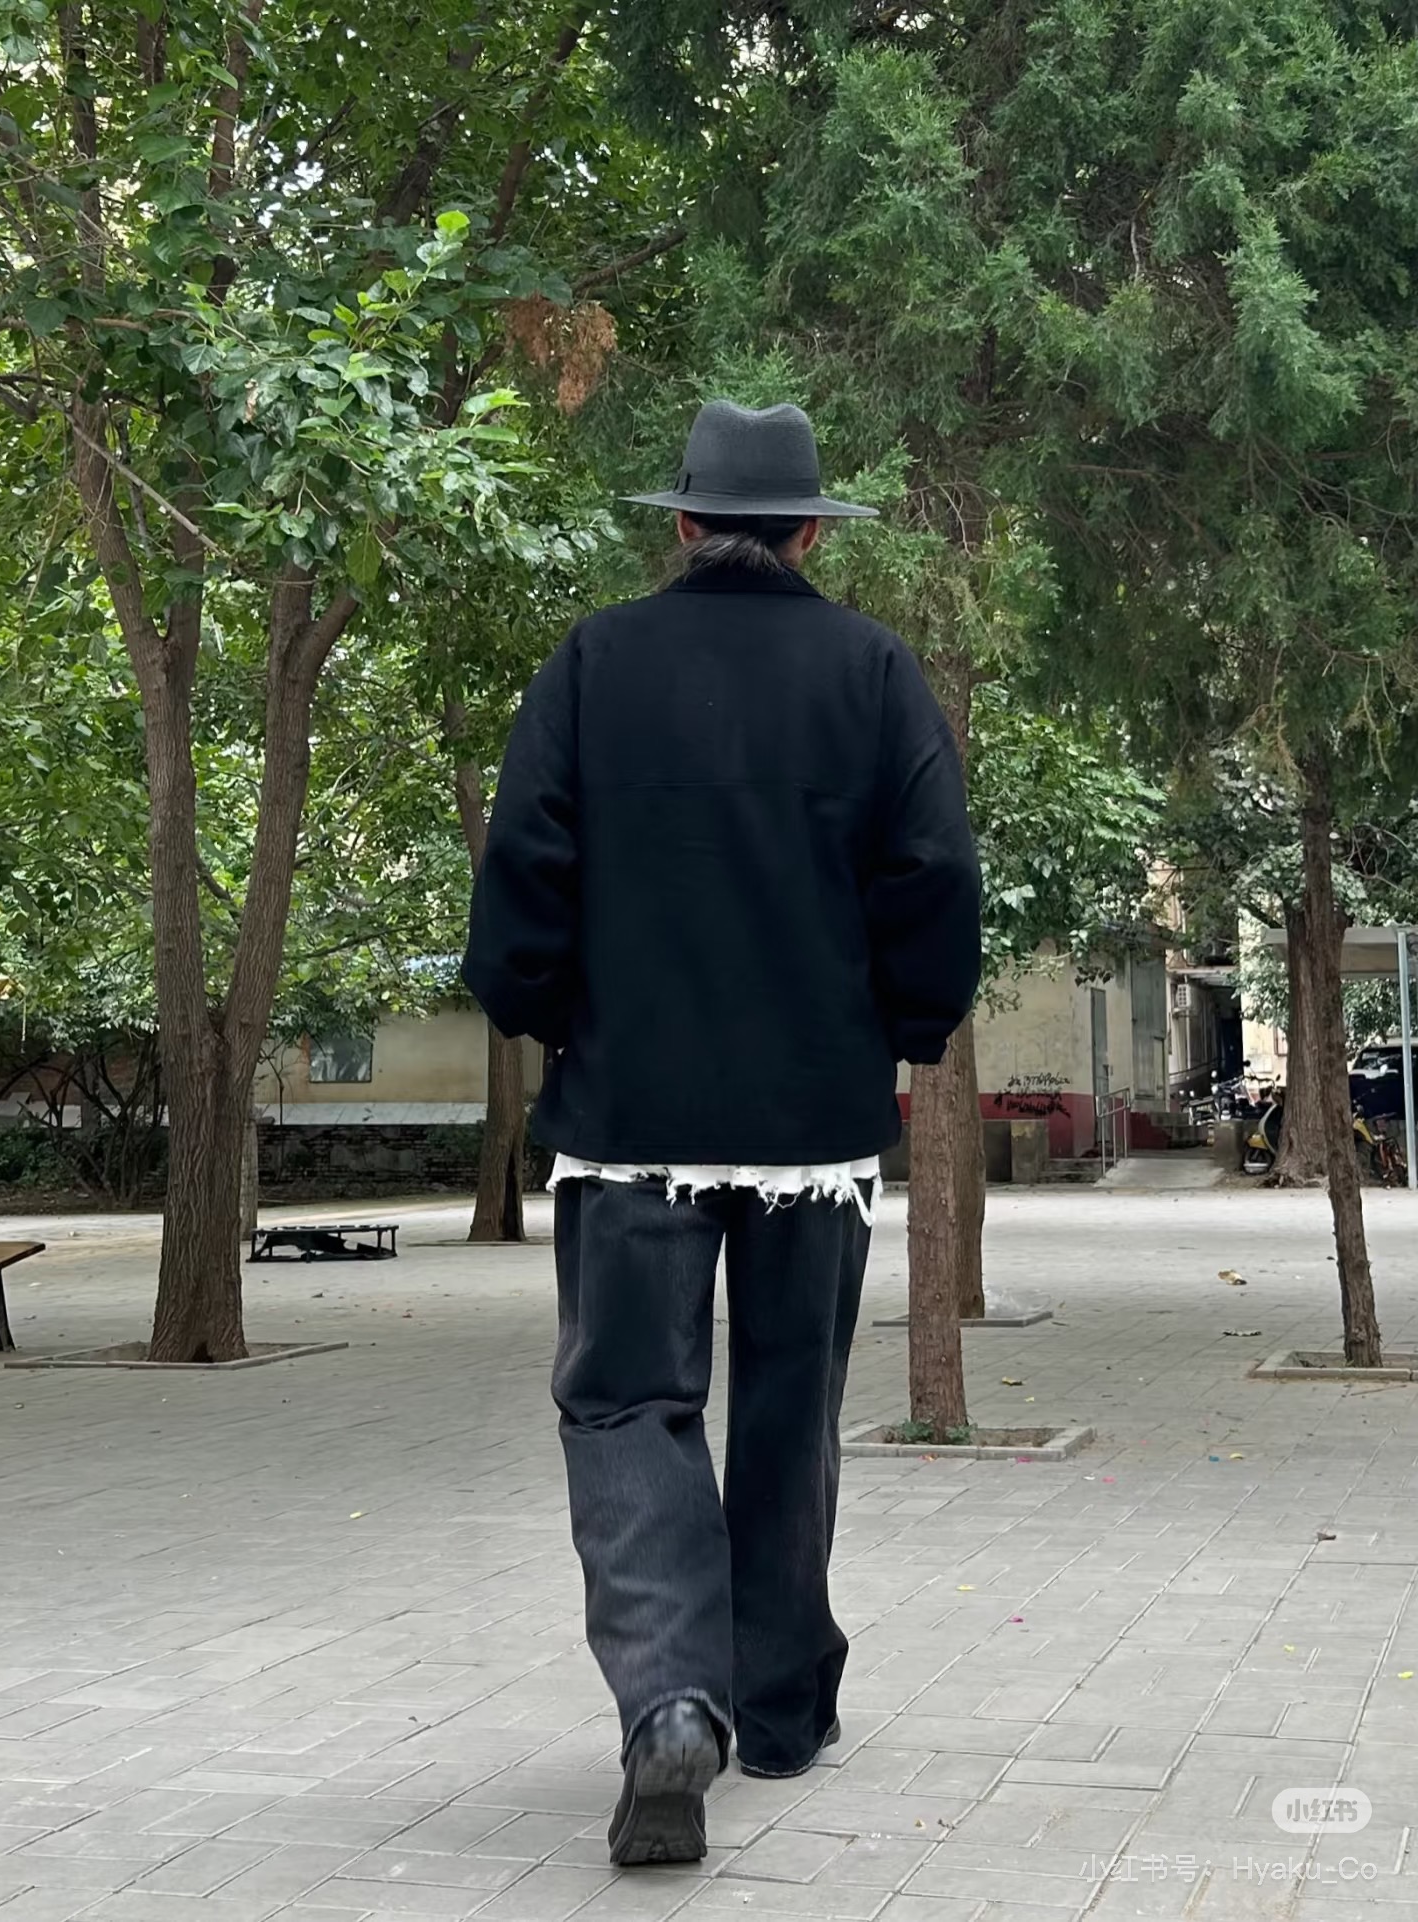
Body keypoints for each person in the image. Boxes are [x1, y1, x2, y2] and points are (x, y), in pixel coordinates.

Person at [462, 400, 981, 1867]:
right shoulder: (875, 674)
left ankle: (672, 1699)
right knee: (793, 1399)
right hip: (815, 1123)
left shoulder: (592, 665)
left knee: (628, 1401)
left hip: (630, 1115)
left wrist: (547, 1013)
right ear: (811, 533)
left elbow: (524, 873)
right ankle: (784, 1703)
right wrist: (904, 1027)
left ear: (684, 523)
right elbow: (934, 879)